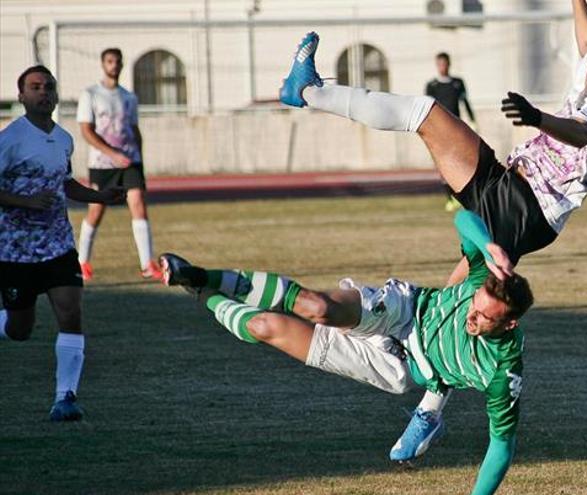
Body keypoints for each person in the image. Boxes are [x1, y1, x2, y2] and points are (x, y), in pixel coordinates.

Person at [277, 0, 587, 461]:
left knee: (458, 302)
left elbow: (580, 131)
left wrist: (537, 119)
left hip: (530, 210)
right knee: (427, 115)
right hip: (509, 180)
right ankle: (307, 91)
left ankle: (427, 401)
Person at [158, 209, 532, 495]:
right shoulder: (487, 276)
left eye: (484, 317)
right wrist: (487, 246)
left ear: (509, 324)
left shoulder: (502, 372)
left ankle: (199, 291)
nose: (472, 316)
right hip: (405, 311)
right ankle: (198, 274)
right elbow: (464, 216)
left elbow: (502, 446)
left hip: (395, 366)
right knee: (317, 306)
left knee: (263, 328)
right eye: (474, 306)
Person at [0, 65, 126, 421]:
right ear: (21, 95)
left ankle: (65, 397)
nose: (44, 93)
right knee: (19, 329)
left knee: (70, 311)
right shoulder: (9, 140)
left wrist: (102, 196)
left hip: (57, 245)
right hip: (15, 251)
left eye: (49, 87)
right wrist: (25, 202)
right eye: (36, 87)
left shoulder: (64, 138)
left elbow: (65, 184)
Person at [75, 47, 161, 281]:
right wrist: (111, 154)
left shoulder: (129, 97)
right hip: (102, 164)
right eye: (110, 61)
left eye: (117, 61)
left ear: (122, 65)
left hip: (129, 161)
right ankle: (82, 262)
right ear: (103, 64)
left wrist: (139, 160)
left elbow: (134, 130)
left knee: (138, 204)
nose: (114, 65)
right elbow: (86, 130)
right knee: (96, 209)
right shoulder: (90, 94)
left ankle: (147, 264)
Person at [425, 52, 478, 212]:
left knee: (462, 163)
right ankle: (450, 198)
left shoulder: (457, 83)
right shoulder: (432, 86)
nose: (442, 67)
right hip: (439, 130)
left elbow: (465, 102)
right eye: (439, 64)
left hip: (456, 130)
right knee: (443, 165)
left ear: (449, 64)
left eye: (444, 64)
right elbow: (427, 108)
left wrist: (473, 121)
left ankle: (462, 197)